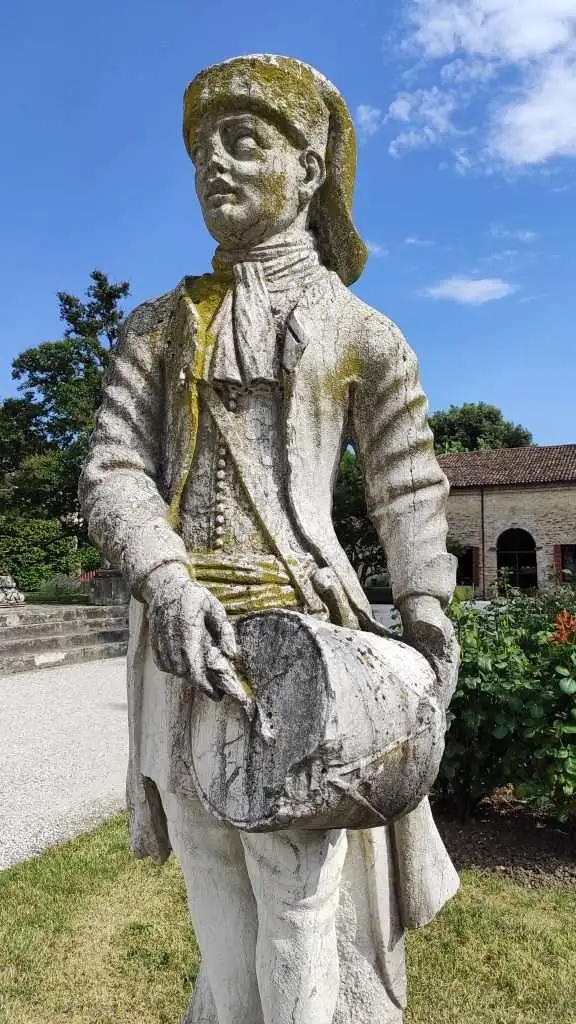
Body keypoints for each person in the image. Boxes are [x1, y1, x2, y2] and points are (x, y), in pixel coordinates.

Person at [79, 54, 459, 1024]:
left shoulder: (362, 332)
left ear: (310, 164)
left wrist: (424, 604)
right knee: (217, 902)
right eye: (201, 146)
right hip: (180, 645)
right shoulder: (159, 328)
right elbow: (113, 471)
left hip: (303, 649)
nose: (213, 161)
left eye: (242, 140)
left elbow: (406, 477)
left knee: (297, 908)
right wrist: (165, 580)